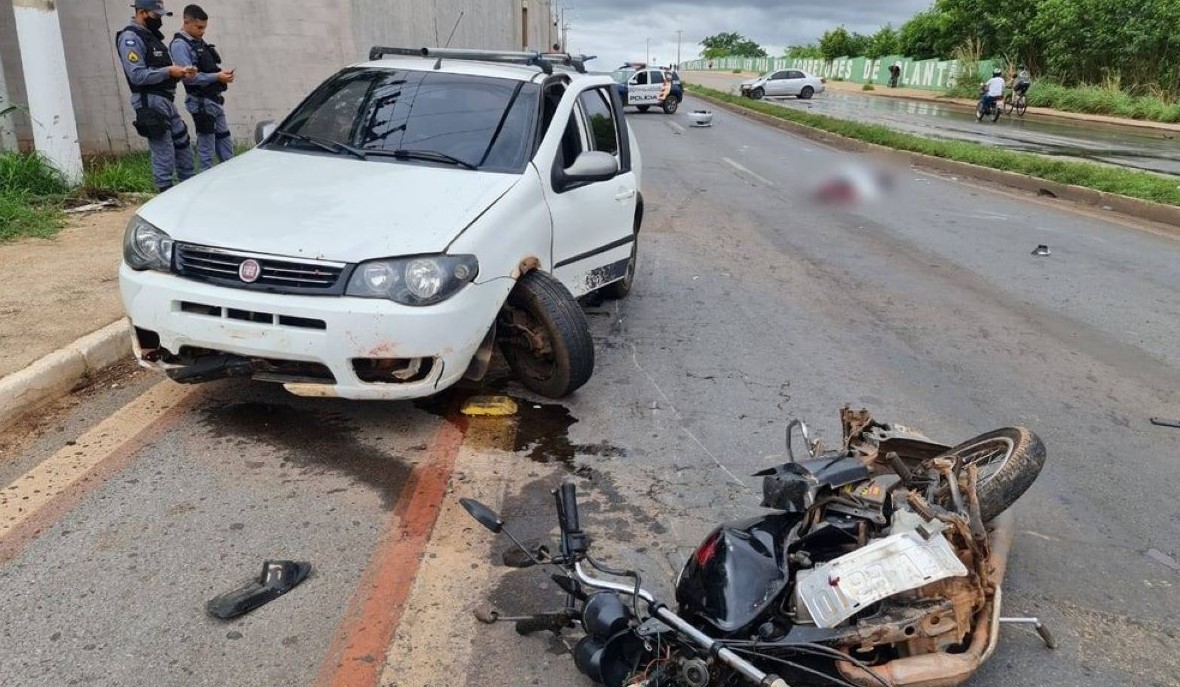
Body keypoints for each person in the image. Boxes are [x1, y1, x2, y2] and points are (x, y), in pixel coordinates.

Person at [116, 0, 197, 193]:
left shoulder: (150, 37)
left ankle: (190, 191)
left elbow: (159, 70)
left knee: (183, 144)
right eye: (156, 15)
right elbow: (137, 75)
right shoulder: (130, 38)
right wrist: (169, 71)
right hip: (149, 101)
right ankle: (165, 195)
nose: (159, 19)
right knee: (164, 151)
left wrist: (180, 73)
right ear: (142, 12)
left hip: (165, 99)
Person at [170, 4, 235, 171]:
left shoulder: (197, 41)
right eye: (199, 27)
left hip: (213, 99)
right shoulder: (180, 45)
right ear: (187, 22)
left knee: (224, 140)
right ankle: (205, 183)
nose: (203, 31)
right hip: (200, 101)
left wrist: (221, 75)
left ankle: (230, 176)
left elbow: (207, 67)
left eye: (205, 27)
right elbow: (189, 78)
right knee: (207, 146)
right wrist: (217, 76)